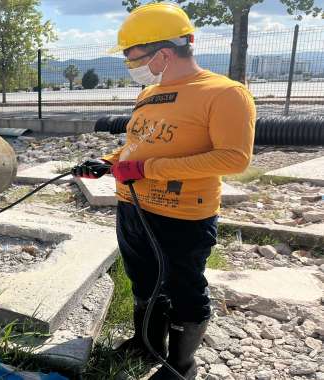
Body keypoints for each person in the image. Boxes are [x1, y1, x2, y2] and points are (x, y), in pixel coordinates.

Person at [72, 3, 256, 379]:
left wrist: (145, 170)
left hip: (182, 214)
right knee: (142, 278)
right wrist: (109, 161)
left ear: (164, 53)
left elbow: (233, 158)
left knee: (184, 289)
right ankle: (146, 342)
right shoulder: (150, 94)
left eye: (132, 57)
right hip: (133, 207)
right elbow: (140, 144)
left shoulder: (224, 94)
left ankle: (181, 365)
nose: (129, 64)